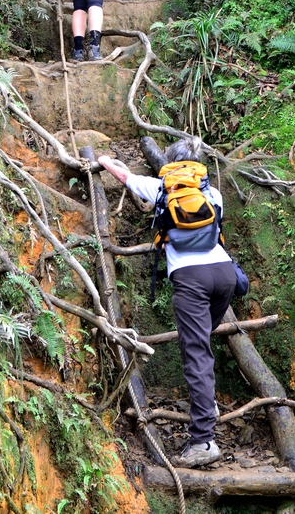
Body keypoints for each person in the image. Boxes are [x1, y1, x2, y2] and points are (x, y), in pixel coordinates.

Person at [98, 137, 237, 468]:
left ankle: (204, 441)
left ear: (170, 166)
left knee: (196, 356)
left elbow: (122, 175)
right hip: (225, 275)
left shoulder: (161, 189)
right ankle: (208, 404)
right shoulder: (212, 194)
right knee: (202, 344)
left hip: (191, 280)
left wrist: (104, 159)